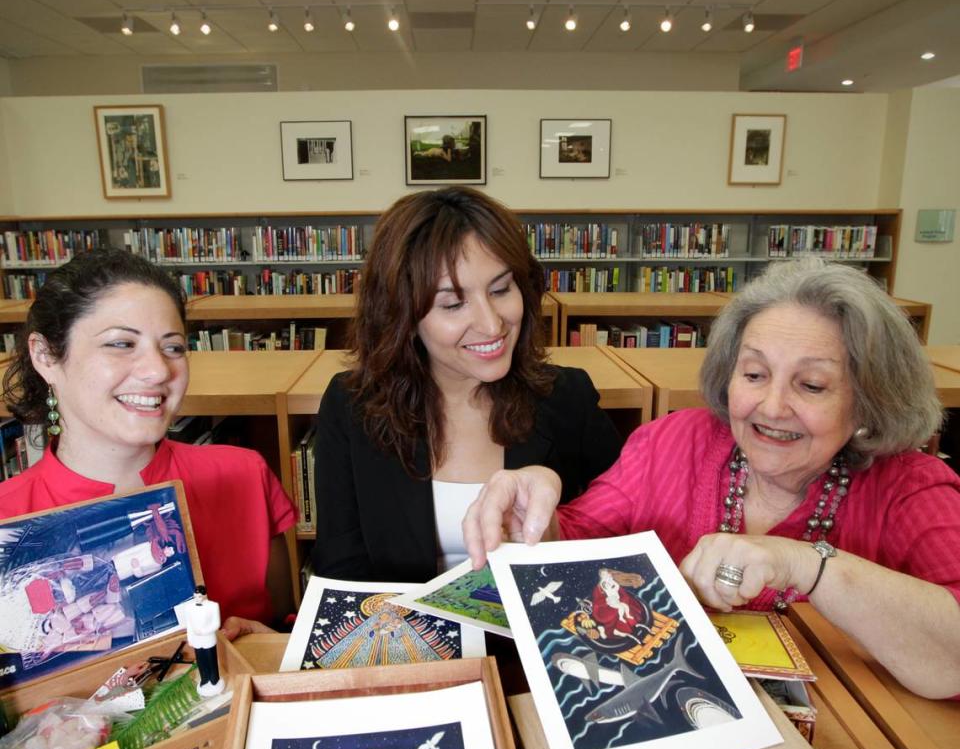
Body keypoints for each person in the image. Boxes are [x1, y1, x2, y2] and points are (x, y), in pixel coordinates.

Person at [464, 258, 960, 700]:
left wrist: (806, 565)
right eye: (753, 374)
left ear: (869, 402)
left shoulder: (911, 488)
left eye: (811, 385)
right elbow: (577, 541)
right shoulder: (673, 443)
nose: (771, 407)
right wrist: (534, 513)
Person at [311, 186, 622, 582]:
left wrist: (557, 525)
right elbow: (341, 572)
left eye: (500, 289)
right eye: (453, 303)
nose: (492, 324)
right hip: (404, 637)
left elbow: (625, 533)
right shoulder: (351, 405)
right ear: (403, 315)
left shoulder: (567, 398)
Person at [0, 249, 297, 639]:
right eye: (121, 344)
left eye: (173, 347)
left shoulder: (242, 474)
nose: (159, 370)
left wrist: (276, 647)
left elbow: (282, 622)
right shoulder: (9, 520)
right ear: (46, 355)